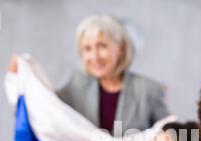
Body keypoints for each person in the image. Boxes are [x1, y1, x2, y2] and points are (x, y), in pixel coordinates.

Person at [9, 14, 170, 134]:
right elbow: (45, 111)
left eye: (102, 46)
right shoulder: (77, 84)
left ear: (120, 48)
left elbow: (175, 139)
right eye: (87, 49)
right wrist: (21, 81)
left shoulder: (150, 90)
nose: (94, 57)